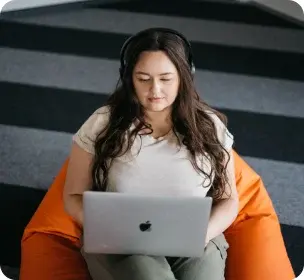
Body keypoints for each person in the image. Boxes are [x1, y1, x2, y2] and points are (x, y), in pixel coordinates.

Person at [63, 27, 239, 280]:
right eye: (143, 79)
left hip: (195, 236)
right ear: (128, 78)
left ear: (184, 76)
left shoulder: (209, 126)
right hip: (121, 239)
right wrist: (109, 228)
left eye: (166, 79)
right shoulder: (103, 122)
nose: (155, 90)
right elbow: (72, 195)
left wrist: (204, 232)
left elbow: (228, 199)